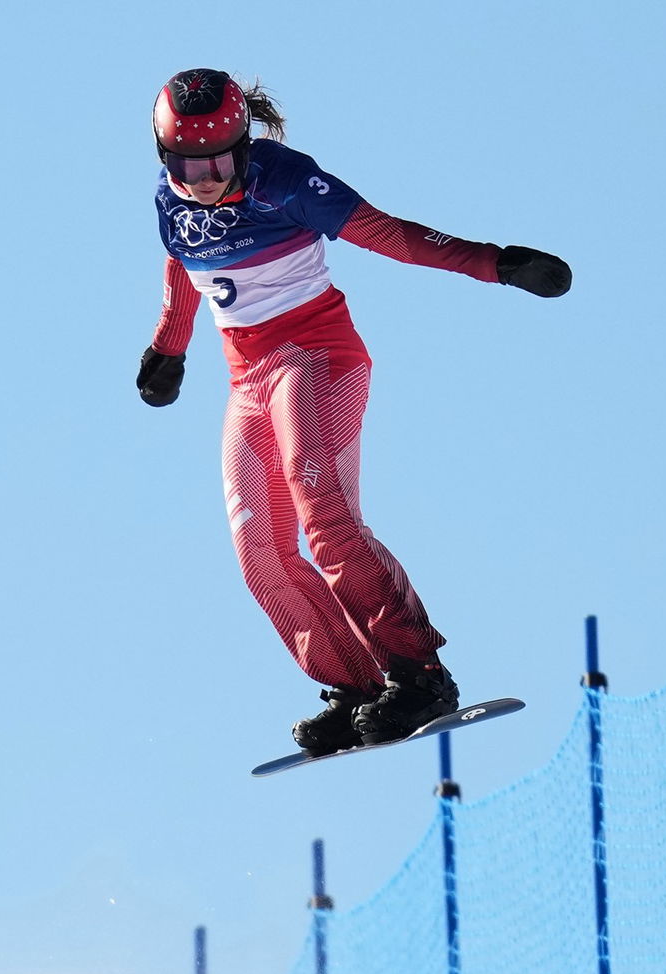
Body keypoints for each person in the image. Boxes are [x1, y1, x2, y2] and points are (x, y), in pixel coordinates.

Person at [141, 68, 570, 756]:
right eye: (190, 166)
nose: (206, 180)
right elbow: (181, 261)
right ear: (166, 158)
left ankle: (419, 673)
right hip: (247, 379)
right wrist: (168, 349)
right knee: (259, 551)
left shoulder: (285, 182)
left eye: (220, 163)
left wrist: (496, 262)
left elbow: (388, 234)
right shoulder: (171, 198)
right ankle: (355, 685)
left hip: (313, 358)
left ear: (244, 146)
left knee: (325, 519)